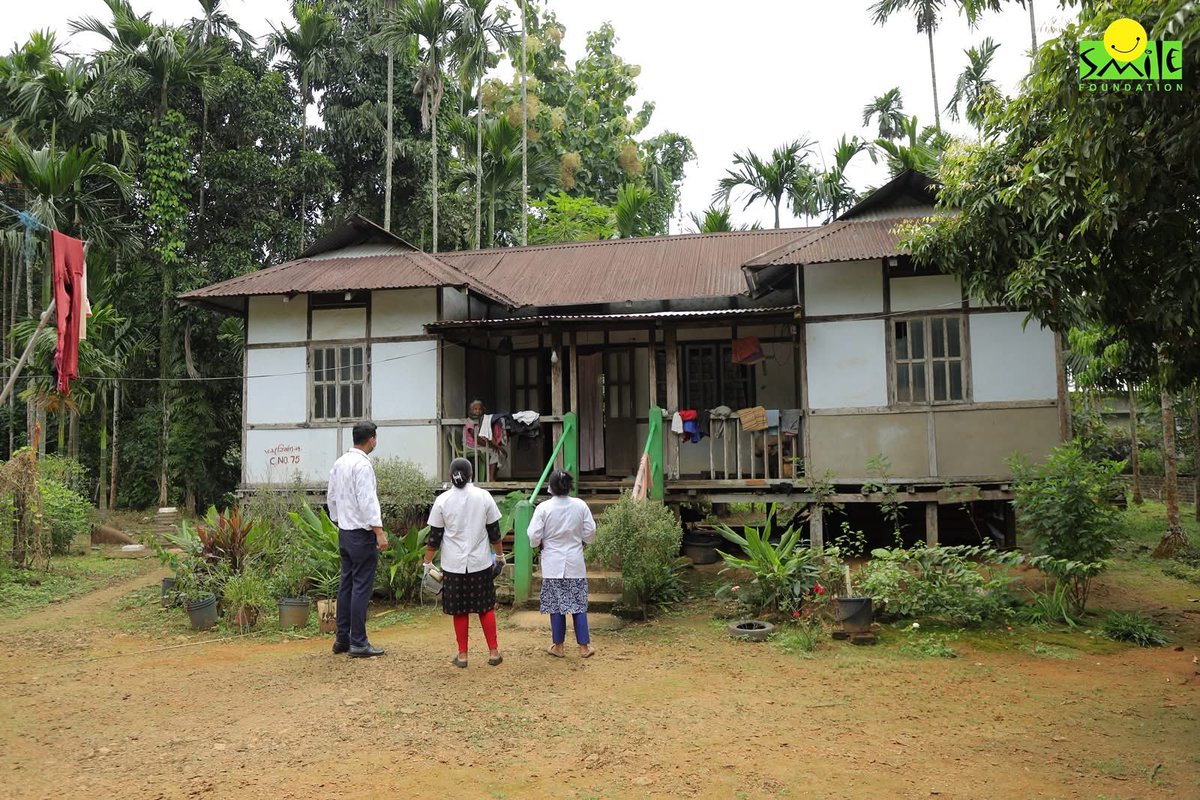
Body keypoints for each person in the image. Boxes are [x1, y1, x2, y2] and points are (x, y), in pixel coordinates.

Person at [423, 457, 505, 668]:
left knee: (459, 610)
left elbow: (434, 536)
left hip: (453, 565)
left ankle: (463, 656)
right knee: (485, 607)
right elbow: (494, 532)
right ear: (472, 476)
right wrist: (501, 556)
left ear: (450, 476)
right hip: (480, 562)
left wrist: (427, 563)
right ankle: (494, 652)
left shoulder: (442, 500)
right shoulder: (484, 497)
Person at [327, 420, 388, 658]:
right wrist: (379, 531)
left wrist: (339, 519)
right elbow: (367, 500)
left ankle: (342, 638)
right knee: (361, 586)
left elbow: (331, 496)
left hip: (345, 530)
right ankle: (359, 642)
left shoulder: (340, 462)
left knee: (347, 584)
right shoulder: (363, 466)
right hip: (361, 533)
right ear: (371, 439)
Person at [527, 470, 596, 658]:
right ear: (570, 486)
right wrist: (578, 539)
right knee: (578, 605)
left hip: (552, 563)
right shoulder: (580, 505)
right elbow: (590, 533)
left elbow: (533, 537)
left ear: (551, 486)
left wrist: (541, 542)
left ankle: (558, 646)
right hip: (575, 561)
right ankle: (584, 647)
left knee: (556, 606)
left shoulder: (543, 508)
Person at [466, 399, 505, 482]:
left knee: (499, 452)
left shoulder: (483, 420)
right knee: (495, 452)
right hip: (472, 446)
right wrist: (491, 446)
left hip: (480, 445)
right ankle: (491, 478)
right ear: (471, 410)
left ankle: (493, 476)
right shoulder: (470, 421)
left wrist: (494, 445)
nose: (478, 411)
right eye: (475, 409)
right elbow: (476, 438)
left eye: (479, 409)